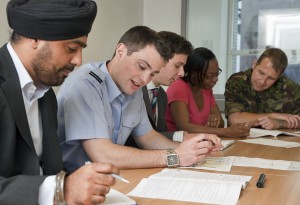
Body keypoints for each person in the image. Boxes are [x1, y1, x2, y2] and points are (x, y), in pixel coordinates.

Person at [0, 1, 119, 205]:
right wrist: (61, 189)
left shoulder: (46, 93)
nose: (78, 60)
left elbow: (50, 169)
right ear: (34, 37)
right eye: (71, 48)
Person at [57, 26, 222, 173]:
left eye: (152, 73)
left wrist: (191, 150)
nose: (145, 79)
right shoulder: (86, 83)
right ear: (121, 51)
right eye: (142, 67)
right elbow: (102, 154)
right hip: (72, 181)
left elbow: (148, 137)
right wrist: (175, 157)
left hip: (109, 176)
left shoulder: (132, 87)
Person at [125, 31, 196, 147]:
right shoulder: (133, 89)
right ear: (160, 60)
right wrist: (181, 137)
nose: (182, 73)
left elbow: (158, 134)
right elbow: (133, 139)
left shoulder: (161, 95)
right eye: (177, 66)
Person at [165, 47, 250, 138]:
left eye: (217, 74)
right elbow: (184, 127)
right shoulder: (179, 87)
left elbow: (220, 123)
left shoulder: (206, 88)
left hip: (200, 142)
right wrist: (226, 132)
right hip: (177, 144)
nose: (215, 79)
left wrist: (215, 119)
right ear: (193, 73)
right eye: (210, 76)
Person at [225, 47, 300, 130]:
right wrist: (273, 116)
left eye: (271, 78)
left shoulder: (292, 89)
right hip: (242, 140)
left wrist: (278, 123)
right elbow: (235, 120)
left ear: (279, 77)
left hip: (279, 141)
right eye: (261, 73)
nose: (262, 81)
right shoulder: (237, 81)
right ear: (254, 64)